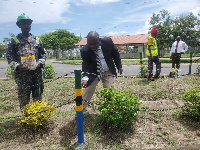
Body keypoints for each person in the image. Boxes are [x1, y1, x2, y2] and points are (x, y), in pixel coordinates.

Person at [6, 13, 46, 111]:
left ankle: (38, 115)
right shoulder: (14, 41)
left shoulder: (37, 40)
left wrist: (40, 63)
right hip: (22, 76)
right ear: (19, 25)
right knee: (24, 98)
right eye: (23, 23)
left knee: (38, 96)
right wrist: (17, 66)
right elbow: (9, 57)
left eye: (28, 23)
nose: (26, 25)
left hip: (36, 74)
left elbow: (43, 54)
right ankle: (26, 118)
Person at [80, 31, 123, 112]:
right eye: (90, 44)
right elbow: (85, 64)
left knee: (109, 90)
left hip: (107, 71)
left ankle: (109, 109)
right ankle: (82, 110)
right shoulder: (85, 50)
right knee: (87, 91)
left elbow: (115, 54)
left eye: (94, 44)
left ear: (99, 40)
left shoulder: (107, 42)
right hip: (94, 72)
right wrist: (85, 78)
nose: (92, 46)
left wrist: (119, 66)